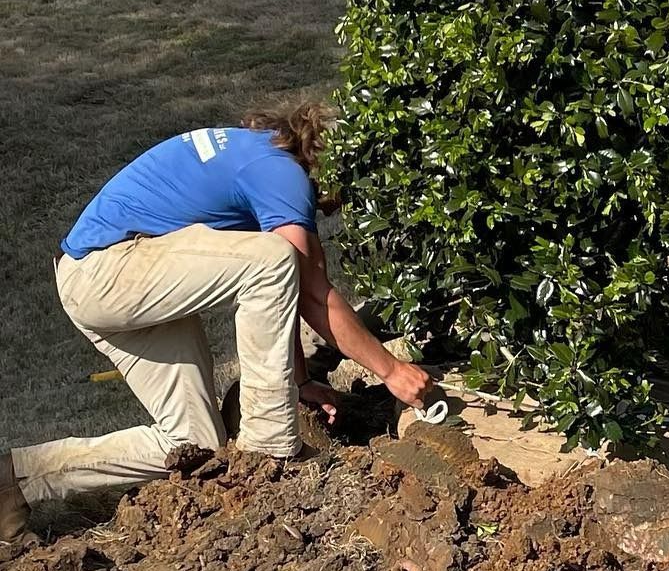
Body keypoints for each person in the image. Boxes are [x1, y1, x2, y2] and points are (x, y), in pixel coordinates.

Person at [0, 105, 433, 546]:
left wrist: (299, 383)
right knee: (272, 261)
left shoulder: (262, 158)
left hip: (105, 277)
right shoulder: (282, 174)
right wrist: (392, 371)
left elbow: (294, 291)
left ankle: (16, 480)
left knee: (196, 443)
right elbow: (310, 291)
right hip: (106, 272)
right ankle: (270, 448)